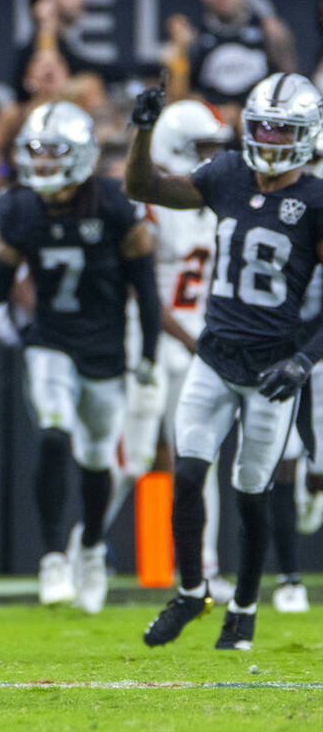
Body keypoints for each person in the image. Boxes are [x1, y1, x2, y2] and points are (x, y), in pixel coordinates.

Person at [125, 72, 323, 651]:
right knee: (187, 476)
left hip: (271, 368)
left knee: (251, 493)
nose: (267, 137)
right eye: (260, 125)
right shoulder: (229, 172)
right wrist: (141, 129)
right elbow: (146, 186)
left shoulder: (315, 200)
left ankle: (244, 608)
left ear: (307, 134)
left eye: (281, 129)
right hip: (214, 354)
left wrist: (304, 363)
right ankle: (192, 593)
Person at [0, 101, 161, 614]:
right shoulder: (20, 207)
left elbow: (145, 286)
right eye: (36, 152)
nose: (44, 163)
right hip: (50, 339)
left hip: (105, 348)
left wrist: (150, 353)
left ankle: (91, 547)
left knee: (97, 459)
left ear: (80, 156)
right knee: (53, 432)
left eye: (53, 153)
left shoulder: (115, 203)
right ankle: (53, 558)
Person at [111, 100, 235, 603]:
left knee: (198, 454)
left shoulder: (217, 202)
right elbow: (142, 288)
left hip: (198, 347)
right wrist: (191, 337)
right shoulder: (153, 202)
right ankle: (86, 551)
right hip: (153, 344)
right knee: (131, 457)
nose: (213, 158)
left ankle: (203, 568)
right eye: (204, 148)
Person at [165, 0, 297, 118]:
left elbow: (292, 85)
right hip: (210, 126)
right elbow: (177, 101)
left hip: (262, 122)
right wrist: (179, 48)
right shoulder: (192, 36)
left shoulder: (268, 30)